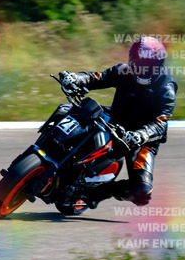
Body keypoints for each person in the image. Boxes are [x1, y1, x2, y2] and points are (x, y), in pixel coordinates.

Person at [58, 36, 177, 209]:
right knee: (72, 110)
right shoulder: (123, 71)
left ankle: (100, 191)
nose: (146, 71)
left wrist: (141, 135)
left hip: (142, 140)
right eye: (141, 65)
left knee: (142, 192)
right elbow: (96, 78)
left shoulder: (166, 88)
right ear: (132, 61)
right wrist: (75, 78)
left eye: (152, 66)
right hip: (114, 121)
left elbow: (161, 123)